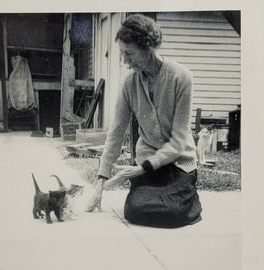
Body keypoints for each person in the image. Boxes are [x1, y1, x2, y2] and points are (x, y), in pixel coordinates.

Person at [85, 14, 202, 228]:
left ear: (148, 47)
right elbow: (116, 133)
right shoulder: (129, 84)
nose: (125, 61)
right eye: (122, 53)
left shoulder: (182, 78)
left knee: (174, 211)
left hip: (178, 163)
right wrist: (100, 182)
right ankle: (182, 201)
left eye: (129, 53)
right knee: (134, 210)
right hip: (149, 163)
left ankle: (188, 200)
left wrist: (139, 170)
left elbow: (177, 142)